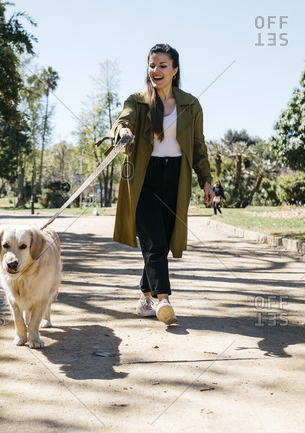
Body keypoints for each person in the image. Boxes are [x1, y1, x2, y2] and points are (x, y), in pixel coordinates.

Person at [105, 43, 214, 325]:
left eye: (163, 66)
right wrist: (123, 131)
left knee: (161, 244)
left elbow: (199, 146)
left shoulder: (190, 105)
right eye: (152, 65)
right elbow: (122, 120)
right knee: (154, 242)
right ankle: (163, 300)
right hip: (144, 178)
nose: (156, 71)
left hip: (176, 179)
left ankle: (144, 297)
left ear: (175, 70)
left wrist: (206, 181)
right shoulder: (137, 101)